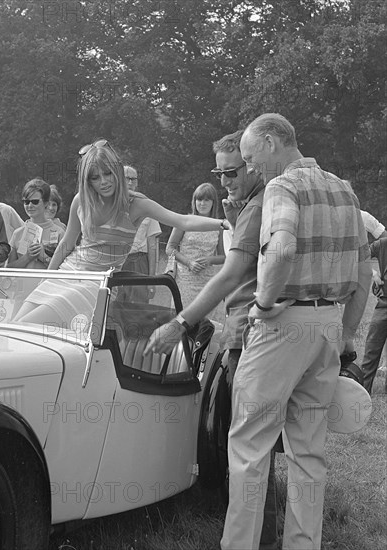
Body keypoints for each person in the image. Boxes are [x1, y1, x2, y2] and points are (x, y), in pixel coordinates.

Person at [218, 113, 370, 550]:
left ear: (270, 142)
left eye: (249, 157)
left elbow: (281, 247)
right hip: (327, 326)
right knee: (308, 451)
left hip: (282, 324)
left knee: (249, 445)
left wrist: (263, 304)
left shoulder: (283, 186)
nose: (250, 167)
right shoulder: (344, 189)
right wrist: (348, 332)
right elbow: (363, 272)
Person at [144, 129, 278, 549]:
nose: (225, 182)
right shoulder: (246, 204)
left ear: (253, 163)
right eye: (218, 174)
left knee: (248, 444)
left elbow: (234, 272)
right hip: (246, 325)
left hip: (249, 328)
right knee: (253, 442)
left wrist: (180, 323)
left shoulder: (257, 206)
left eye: (232, 171)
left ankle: (257, 537)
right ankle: (265, 532)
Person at [14, 139, 228, 326]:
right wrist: (46, 279)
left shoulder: (135, 203)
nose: (104, 181)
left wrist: (224, 223)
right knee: (14, 325)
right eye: (95, 177)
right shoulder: (81, 200)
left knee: (27, 325)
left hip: (96, 285)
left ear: (117, 171)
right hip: (67, 274)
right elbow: (66, 245)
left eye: (108, 173)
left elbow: (183, 220)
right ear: (87, 180)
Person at [166, 182, 225, 319]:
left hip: (207, 281)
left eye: (206, 200)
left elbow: (224, 256)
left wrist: (210, 260)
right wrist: (188, 262)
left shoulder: (218, 226)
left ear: (213, 202)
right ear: (194, 201)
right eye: (199, 199)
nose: (202, 203)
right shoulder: (184, 221)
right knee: (182, 319)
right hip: (185, 279)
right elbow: (170, 248)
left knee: (205, 323)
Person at [118, 165, 162, 303]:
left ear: (137, 183)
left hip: (138, 262)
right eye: (126, 179)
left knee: (138, 308)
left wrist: (151, 279)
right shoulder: (109, 205)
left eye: (133, 179)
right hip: (115, 261)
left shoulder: (146, 206)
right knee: (112, 306)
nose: (130, 183)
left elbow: (153, 245)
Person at [7, 178, 66, 269]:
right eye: (26, 202)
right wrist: (27, 257)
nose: (30, 206)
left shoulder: (59, 233)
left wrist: (44, 257)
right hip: (22, 283)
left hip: (47, 283)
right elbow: (8, 269)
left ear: (46, 203)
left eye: (35, 202)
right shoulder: (17, 233)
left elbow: (65, 269)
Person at [360, 236, 387, 393]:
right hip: (383, 304)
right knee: (371, 351)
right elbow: (359, 256)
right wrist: (373, 273)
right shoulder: (382, 244)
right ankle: (363, 393)